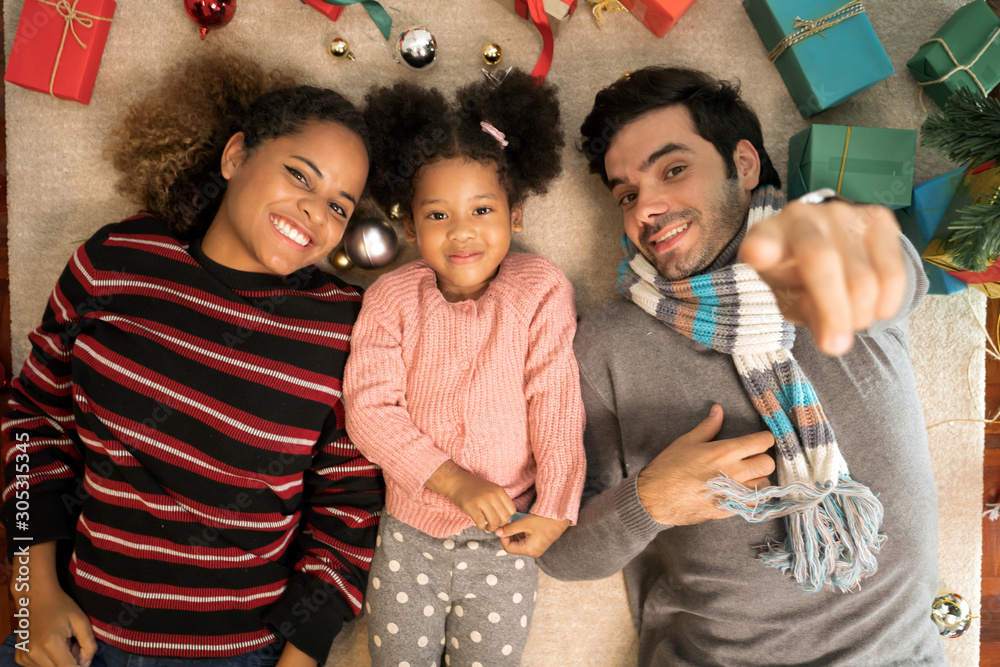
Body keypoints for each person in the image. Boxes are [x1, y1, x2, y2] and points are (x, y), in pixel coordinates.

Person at [536, 66, 946, 665]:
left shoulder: (822, 251)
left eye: (673, 169)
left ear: (745, 164)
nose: (646, 206)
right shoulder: (606, 346)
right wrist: (650, 500)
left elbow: (896, 275)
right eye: (626, 194)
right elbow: (560, 552)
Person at [0, 54, 384, 667]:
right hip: (73, 634)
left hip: (242, 654)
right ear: (235, 157)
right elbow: (31, 420)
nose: (317, 211)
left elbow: (349, 504)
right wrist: (29, 593)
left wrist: (301, 658)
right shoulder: (118, 259)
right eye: (300, 177)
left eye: (340, 206)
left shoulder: (347, 325)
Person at [343, 68, 585, 666]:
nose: (462, 233)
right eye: (437, 216)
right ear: (407, 224)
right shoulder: (392, 298)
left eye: (481, 209)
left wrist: (555, 508)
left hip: (508, 536)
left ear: (516, 213)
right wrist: (451, 479)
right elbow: (369, 411)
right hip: (410, 534)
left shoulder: (541, 289)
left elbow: (556, 404)